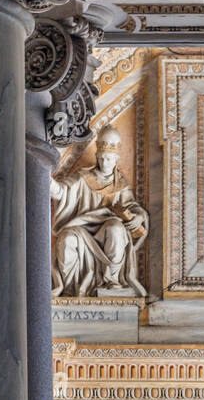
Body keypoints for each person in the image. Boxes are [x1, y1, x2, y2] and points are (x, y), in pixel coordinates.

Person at [51, 124, 148, 297]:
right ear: (97, 156)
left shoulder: (120, 185)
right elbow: (62, 191)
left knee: (116, 229)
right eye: (102, 158)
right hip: (81, 229)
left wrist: (139, 217)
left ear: (116, 159)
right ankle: (70, 288)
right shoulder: (82, 177)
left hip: (106, 231)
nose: (105, 162)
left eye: (109, 159)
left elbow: (133, 207)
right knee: (66, 240)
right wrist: (47, 181)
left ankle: (112, 281)